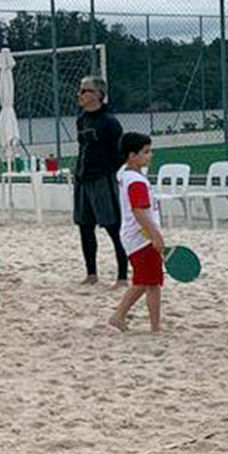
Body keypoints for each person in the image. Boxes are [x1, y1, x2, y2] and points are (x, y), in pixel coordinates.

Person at [73, 76, 128, 287]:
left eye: (84, 91)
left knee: (113, 227)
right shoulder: (81, 119)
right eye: (80, 90)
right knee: (85, 226)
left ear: (98, 95)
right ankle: (91, 274)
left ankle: (122, 276)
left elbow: (119, 153)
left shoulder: (110, 122)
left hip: (103, 179)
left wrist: (110, 174)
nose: (80, 95)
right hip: (83, 178)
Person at [109, 133, 165, 332]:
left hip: (134, 235)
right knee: (150, 283)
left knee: (145, 281)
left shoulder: (124, 174)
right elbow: (139, 211)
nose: (150, 155)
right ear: (132, 156)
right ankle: (153, 325)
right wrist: (155, 235)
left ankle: (121, 316)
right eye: (146, 152)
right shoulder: (136, 182)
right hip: (142, 237)